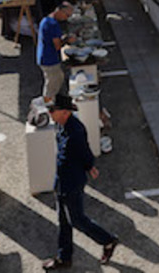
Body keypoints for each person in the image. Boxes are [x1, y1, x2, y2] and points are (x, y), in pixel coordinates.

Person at [43, 95, 119, 270]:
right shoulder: (61, 125)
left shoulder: (75, 132)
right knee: (63, 220)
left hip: (71, 183)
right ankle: (64, 258)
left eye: (52, 110)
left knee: (77, 220)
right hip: (61, 180)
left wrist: (89, 165)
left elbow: (84, 150)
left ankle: (108, 240)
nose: (50, 113)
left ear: (65, 112)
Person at [37, 3, 76, 102]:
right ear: (60, 11)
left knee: (58, 79)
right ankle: (48, 106)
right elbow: (58, 46)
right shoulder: (53, 25)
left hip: (44, 56)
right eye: (67, 15)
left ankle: (53, 102)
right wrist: (67, 40)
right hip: (50, 59)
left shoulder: (46, 20)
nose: (66, 18)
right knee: (52, 85)